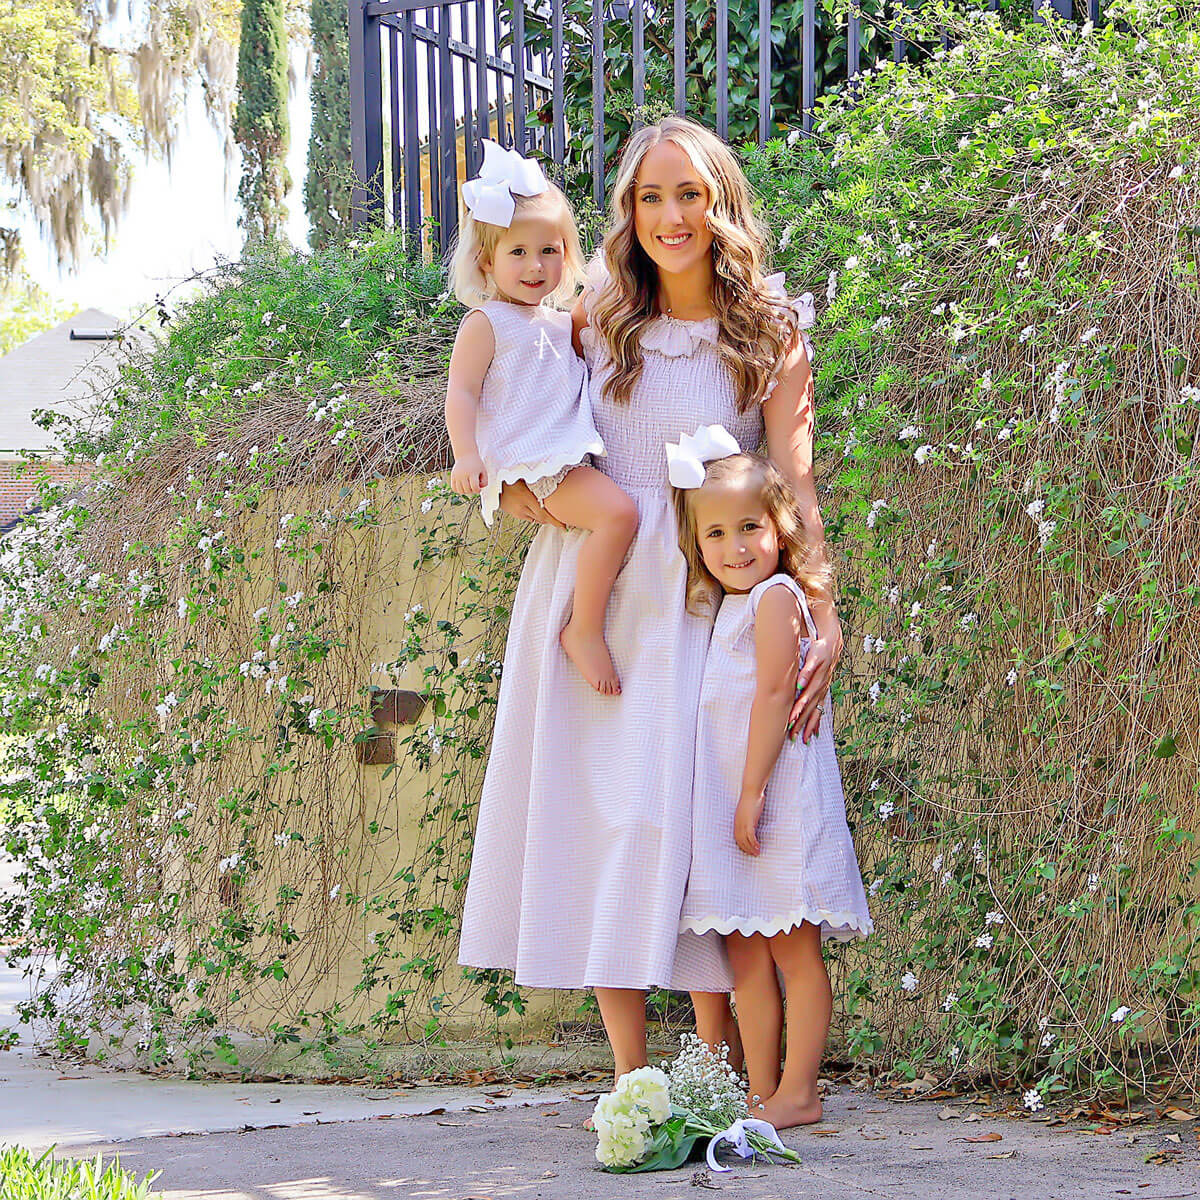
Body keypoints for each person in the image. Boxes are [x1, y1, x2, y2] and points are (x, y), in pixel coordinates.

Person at [458, 115, 844, 1085]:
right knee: (619, 831)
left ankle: (716, 1069)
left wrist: (823, 607)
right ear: (628, 213)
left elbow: (795, 482)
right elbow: (512, 421)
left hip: (716, 621)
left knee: (706, 838)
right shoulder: (593, 317)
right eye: (649, 197)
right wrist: (523, 490)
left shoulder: (771, 330)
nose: (671, 216)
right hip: (608, 607)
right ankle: (638, 1078)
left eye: (689, 194)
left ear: (720, 205)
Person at [670, 438, 873, 1128]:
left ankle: (800, 1090)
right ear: (697, 544)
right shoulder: (726, 607)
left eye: (749, 527)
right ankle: (760, 1090)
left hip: (775, 799)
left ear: (780, 529)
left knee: (794, 949)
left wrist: (751, 791)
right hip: (736, 803)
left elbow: (775, 694)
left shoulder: (778, 598)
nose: (735, 547)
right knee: (745, 954)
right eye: (716, 533)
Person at [446, 138, 639, 694]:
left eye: (549, 251)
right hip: (540, 466)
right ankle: (583, 628)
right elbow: (462, 392)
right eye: (518, 253)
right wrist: (468, 456)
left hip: (567, 456)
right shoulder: (486, 323)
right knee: (618, 516)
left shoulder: (560, 324)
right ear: (487, 261)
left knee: (616, 516)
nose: (536, 266)